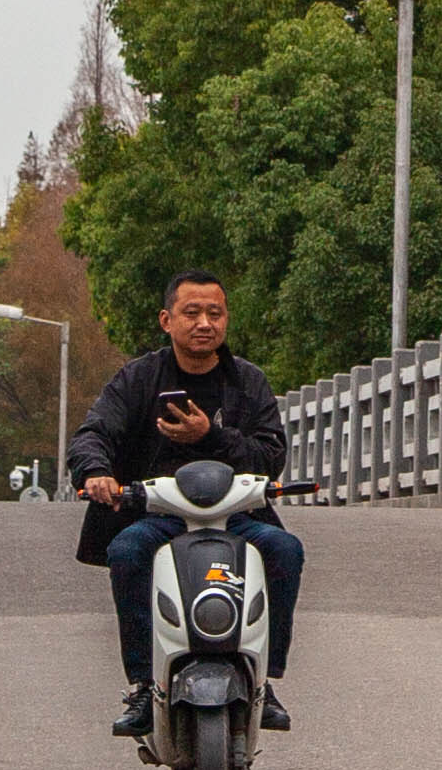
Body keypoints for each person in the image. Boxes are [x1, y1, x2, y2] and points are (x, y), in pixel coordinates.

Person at [70, 269, 301, 738]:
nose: (203, 323)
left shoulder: (249, 383)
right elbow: (94, 433)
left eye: (214, 313)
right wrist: (96, 473)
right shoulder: (137, 378)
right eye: (191, 312)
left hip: (236, 517)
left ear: (226, 320)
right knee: (126, 551)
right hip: (159, 516)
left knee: (285, 550)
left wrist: (211, 436)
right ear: (166, 319)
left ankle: (265, 680)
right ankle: (141, 684)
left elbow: (271, 455)